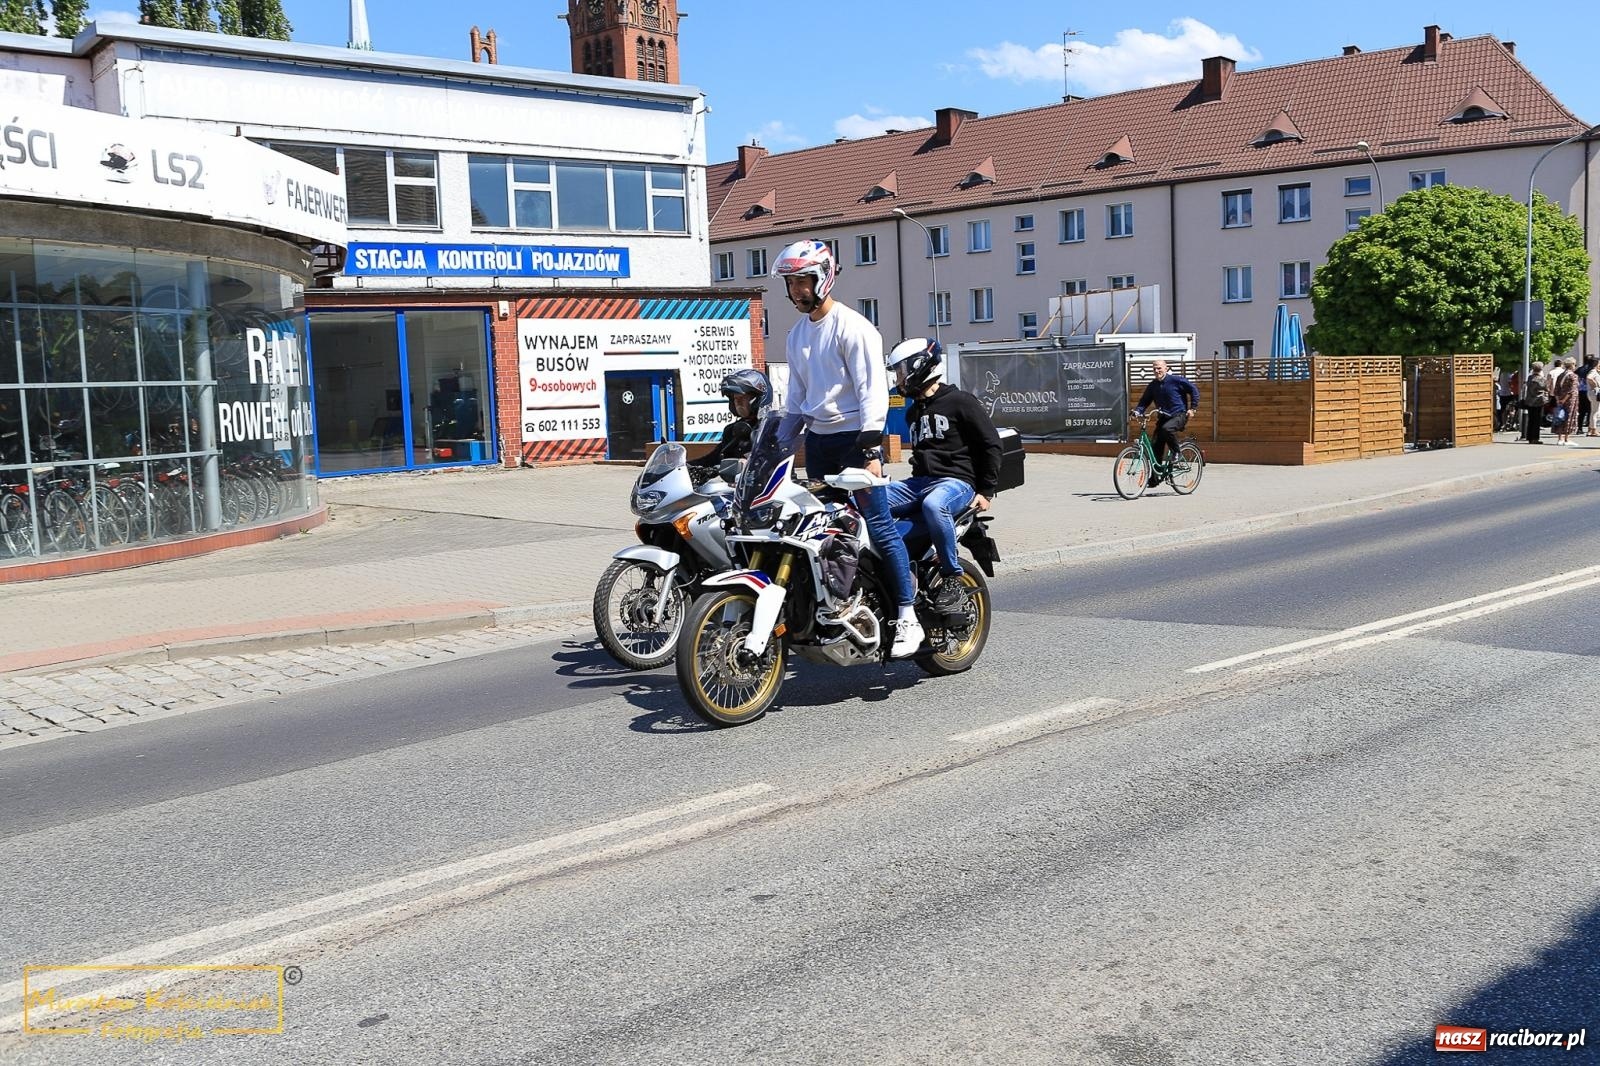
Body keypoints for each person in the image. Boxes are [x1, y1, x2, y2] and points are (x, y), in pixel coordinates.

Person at [770, 238, 923, 658]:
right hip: (820, 443)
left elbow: (872, 390)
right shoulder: (797, 335)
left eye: (804, 280)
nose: (797, 290)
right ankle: (840, 603)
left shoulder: (854, 327)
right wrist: (773, 448)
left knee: (876, 523)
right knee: (824, 529)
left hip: (857, 439)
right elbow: (797, 400)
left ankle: (908, 615)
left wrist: (872, 449)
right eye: (792, 282)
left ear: (824, 277)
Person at [884, 337, 1003, 612]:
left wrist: (986, 491)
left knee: (934, 504)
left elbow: (991, 444)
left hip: (956, 482)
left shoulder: (960, 401)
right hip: (921, 482)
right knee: (868, 501)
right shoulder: (914, 412)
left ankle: (951, 576)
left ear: (919, 367)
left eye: (901, 372)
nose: (899, 380)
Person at [1131, 359, 1199, 486]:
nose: (1157, 371)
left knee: (1167, 429)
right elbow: (1144, 401)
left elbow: (1194, 390)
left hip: (1179, 415)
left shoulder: (1177, 380)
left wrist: (1193, 408)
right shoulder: (1153, 385)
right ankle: (1156, 478)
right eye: (1154, 369)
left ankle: (1176, 453)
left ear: (1166, 368)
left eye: (1159, 368)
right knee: (1155, 446)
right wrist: (1137, 411)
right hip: (1163, 418)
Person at [692, 368, 770, 472]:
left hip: (765, 485)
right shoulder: (731, 431)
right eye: (735, 398)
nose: (737, 402)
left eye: (742, 397)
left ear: (758, 398)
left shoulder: (769, 429)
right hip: (733, 486)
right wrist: (687, 466)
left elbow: (768, 457)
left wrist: (745, 462)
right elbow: (713, 457)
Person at [1551, 357, 1579, 446]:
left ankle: (1560, 438)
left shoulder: (1561, 375)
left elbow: (1556, 389)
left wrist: (1558, 399)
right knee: (1569, 417)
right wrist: (1564, 399)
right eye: (1574, 364)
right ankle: (1566, 438)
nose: (1575, 366)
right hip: (1570, 400)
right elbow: (1571, 390)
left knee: (1560, 417)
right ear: (1571, 365)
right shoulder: (1573, 376)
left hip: (1560, 398)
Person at [1521, 362, 1550, 444]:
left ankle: (1529, 436)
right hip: (1538, 401)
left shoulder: (1530, 377)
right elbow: (1546, 388)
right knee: (1537, 420)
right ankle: (1535, 438)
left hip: (1529, 400)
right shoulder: (1541, 379)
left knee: (1531, 419)